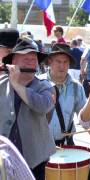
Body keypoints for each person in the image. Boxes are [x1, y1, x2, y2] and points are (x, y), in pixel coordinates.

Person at [0, 38, 56, 180]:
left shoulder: (46, 86)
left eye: (33, 58)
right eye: (24, 58)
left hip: (34, 159)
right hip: (4, 157)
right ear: (13, 62)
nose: (30, 61)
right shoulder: (2, 83)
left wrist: (17, 85)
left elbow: (42, 106)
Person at [38, 43, 87, 146]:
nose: (62, 66)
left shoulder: (76, 87)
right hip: (39, 146)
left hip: (65, 145)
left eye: (65, 62)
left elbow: (84, 121)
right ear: (50, 62)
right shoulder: (37, 83)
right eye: (58, 61)